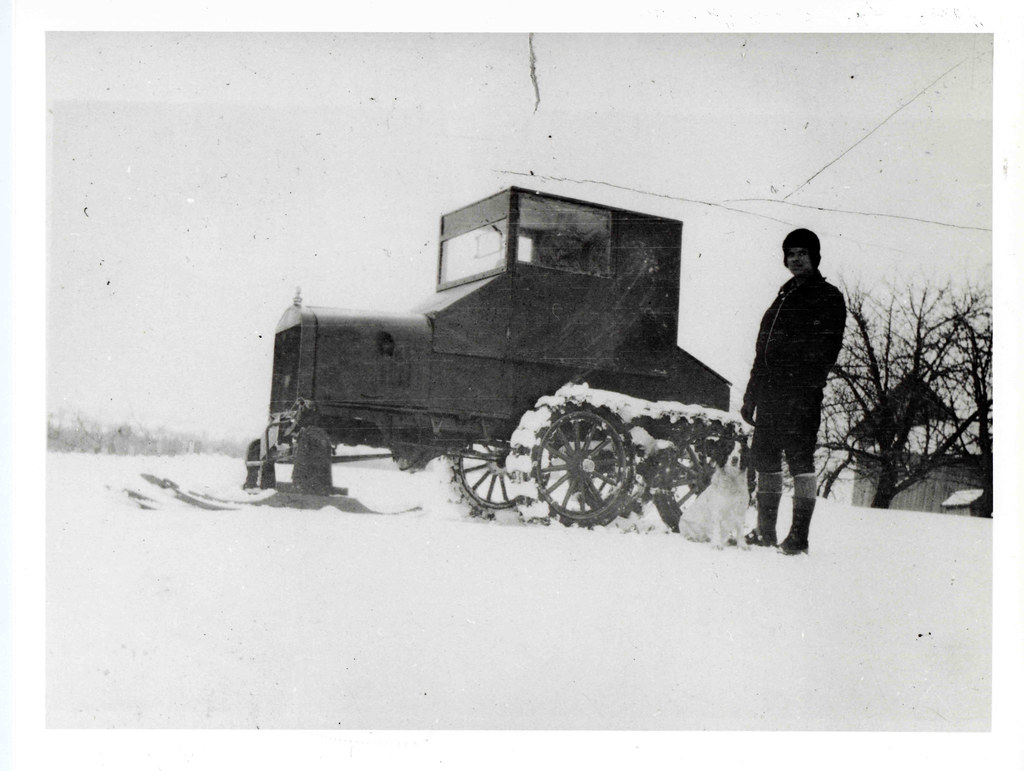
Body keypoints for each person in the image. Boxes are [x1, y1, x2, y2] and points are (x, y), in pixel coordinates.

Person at [740, 228, 846, 555]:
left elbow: (827, 350)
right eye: (791, 253)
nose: (796, 258)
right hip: (770, 393)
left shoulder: (828, 296)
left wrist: (804, 385)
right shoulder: (783, 296)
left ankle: (798, 537)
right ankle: (766, 532)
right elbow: (764, 352)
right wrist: (750, 396)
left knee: (800, 459)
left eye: (802, 252)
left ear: (814, 257)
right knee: (765, 458)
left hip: (800, 394)